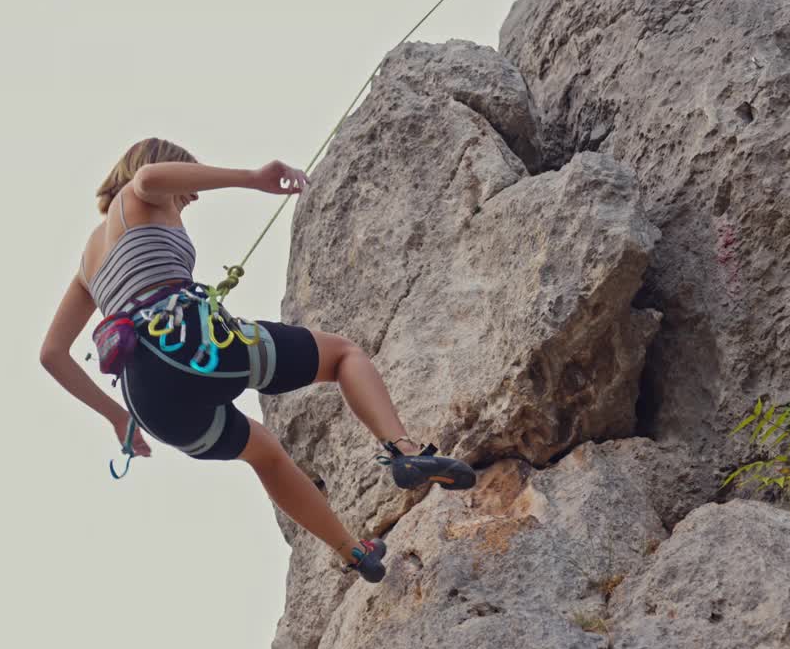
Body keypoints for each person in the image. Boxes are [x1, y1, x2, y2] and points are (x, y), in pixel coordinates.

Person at [39, 137, 477, 582]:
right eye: (187, 187)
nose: (190, 199)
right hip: (186, 341)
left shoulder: (87, 264)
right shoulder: (141, 193)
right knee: (345, 354)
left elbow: (52, 354)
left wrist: (118, 418)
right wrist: (253, 178)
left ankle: (355, 553)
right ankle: (404, 452)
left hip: (147, 400)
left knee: (265, 453)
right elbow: (150, 178)